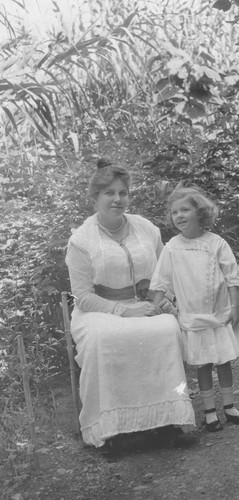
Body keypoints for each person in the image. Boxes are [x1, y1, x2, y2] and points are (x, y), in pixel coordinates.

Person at [65, 158, 195, 448]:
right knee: (105, 338)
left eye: (123, 192)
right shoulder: (81, 240)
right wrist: (125, 310)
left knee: (166, 330)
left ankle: (167, 420)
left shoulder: (144, 227)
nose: (117, 199)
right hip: (98, 310)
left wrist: (166, 300)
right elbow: (83, 297)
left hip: (147, 301)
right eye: (109, 193)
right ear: (95, 197)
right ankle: (113, 429)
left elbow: (166, 270)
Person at [150, 187, 239, 432]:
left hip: (219, 315)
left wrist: (235, 308)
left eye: (185, 210)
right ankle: (210, 411)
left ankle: (229, 407)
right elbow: (161, 282)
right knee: (203, 365)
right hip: (193, 318)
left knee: (224, 360)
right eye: (174, 212)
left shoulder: (216, 243)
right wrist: (153, 309)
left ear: (200, 212)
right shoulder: (172, 247)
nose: (179, 216)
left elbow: (232, 277)